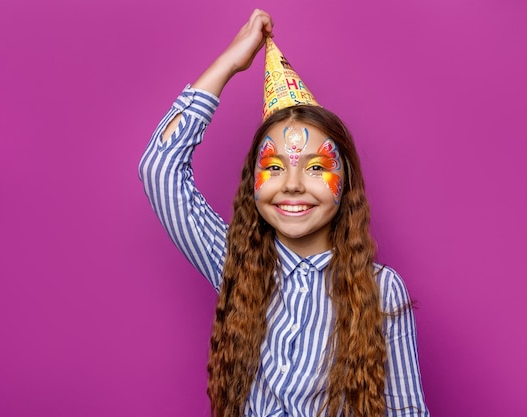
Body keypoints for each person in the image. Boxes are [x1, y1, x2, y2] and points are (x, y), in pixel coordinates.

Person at [139, 9, 429, 417]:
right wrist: (230, 62)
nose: (292, 184)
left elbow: (405, 410)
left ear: (344, 183)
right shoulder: (235, 264)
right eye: (275, 167)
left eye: (315, 168)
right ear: (252, 182)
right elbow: (159, 167)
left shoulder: (380, 291)